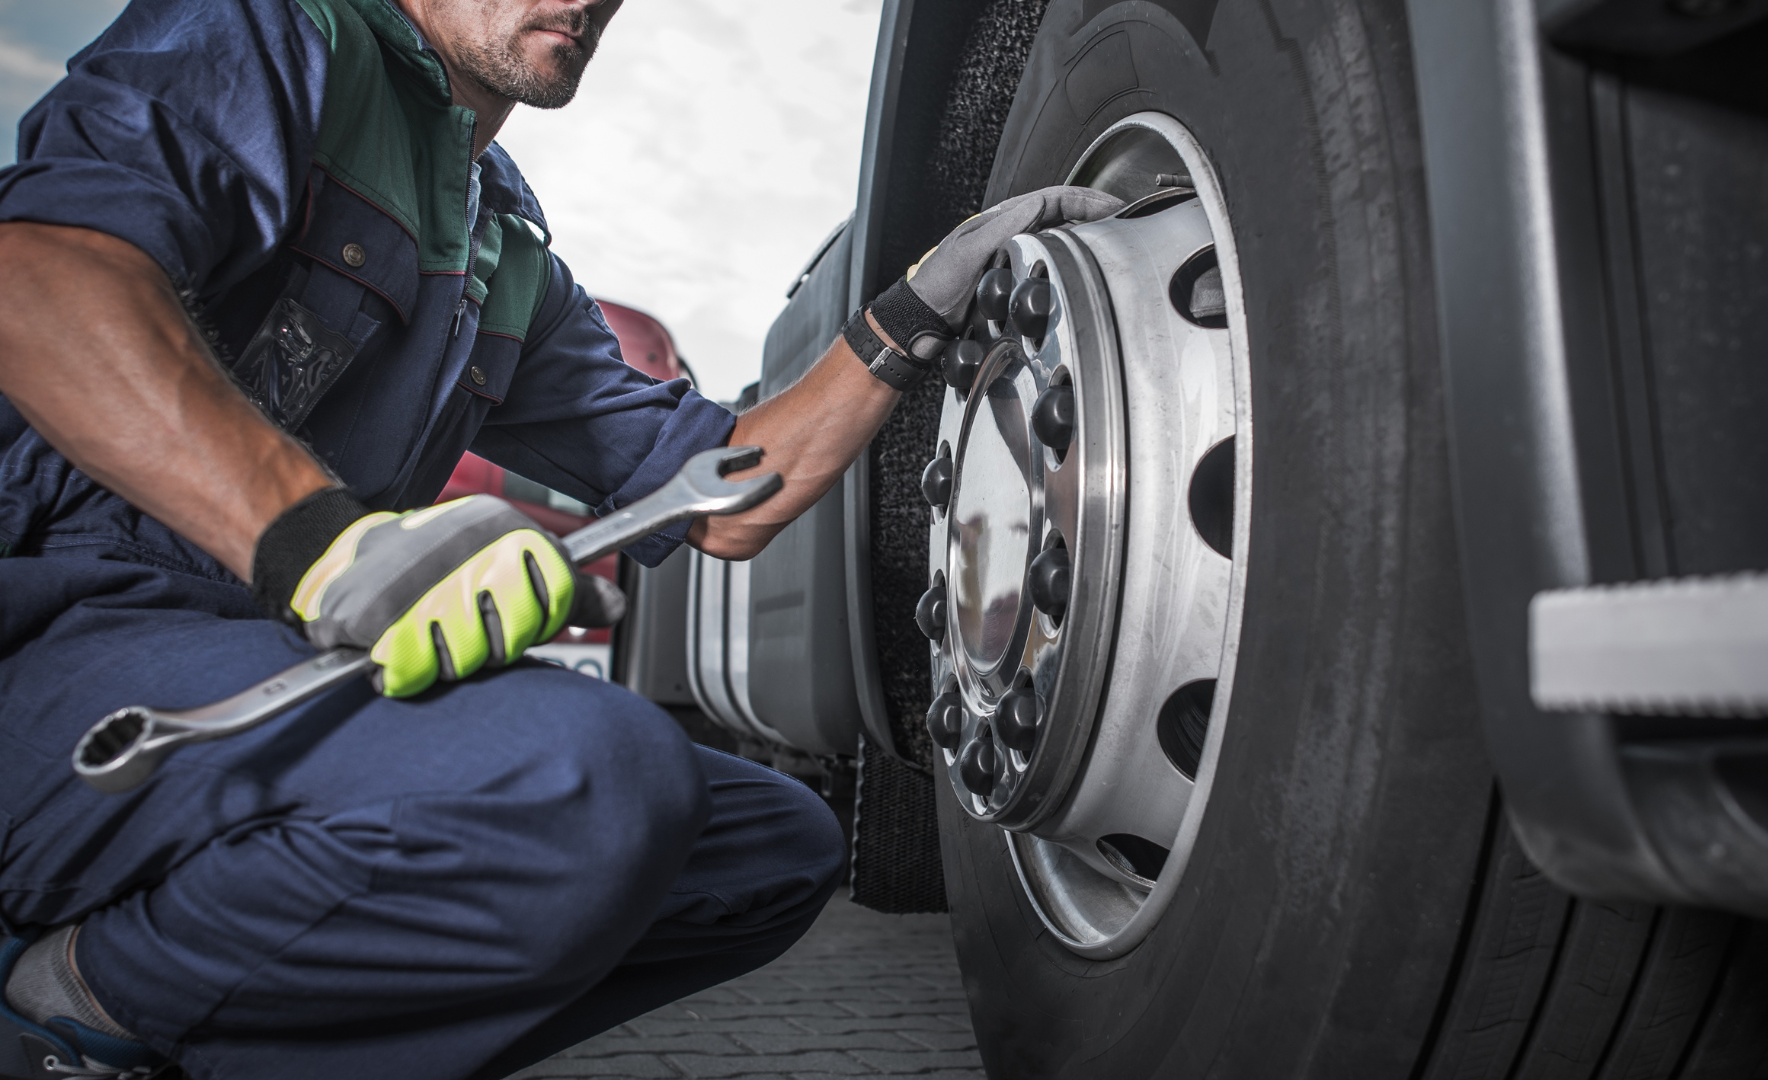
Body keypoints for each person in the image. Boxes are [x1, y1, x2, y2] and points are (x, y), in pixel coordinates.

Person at [0, 0, 1122, 1077]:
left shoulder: (505, 252)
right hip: (70, 654)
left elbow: (724, 498)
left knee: (765, 853)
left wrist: (913, 311)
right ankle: (79, 1003)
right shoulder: (278, 33)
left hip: (270, 671)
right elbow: (41, 282)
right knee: (580, 783)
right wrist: (325, 546)